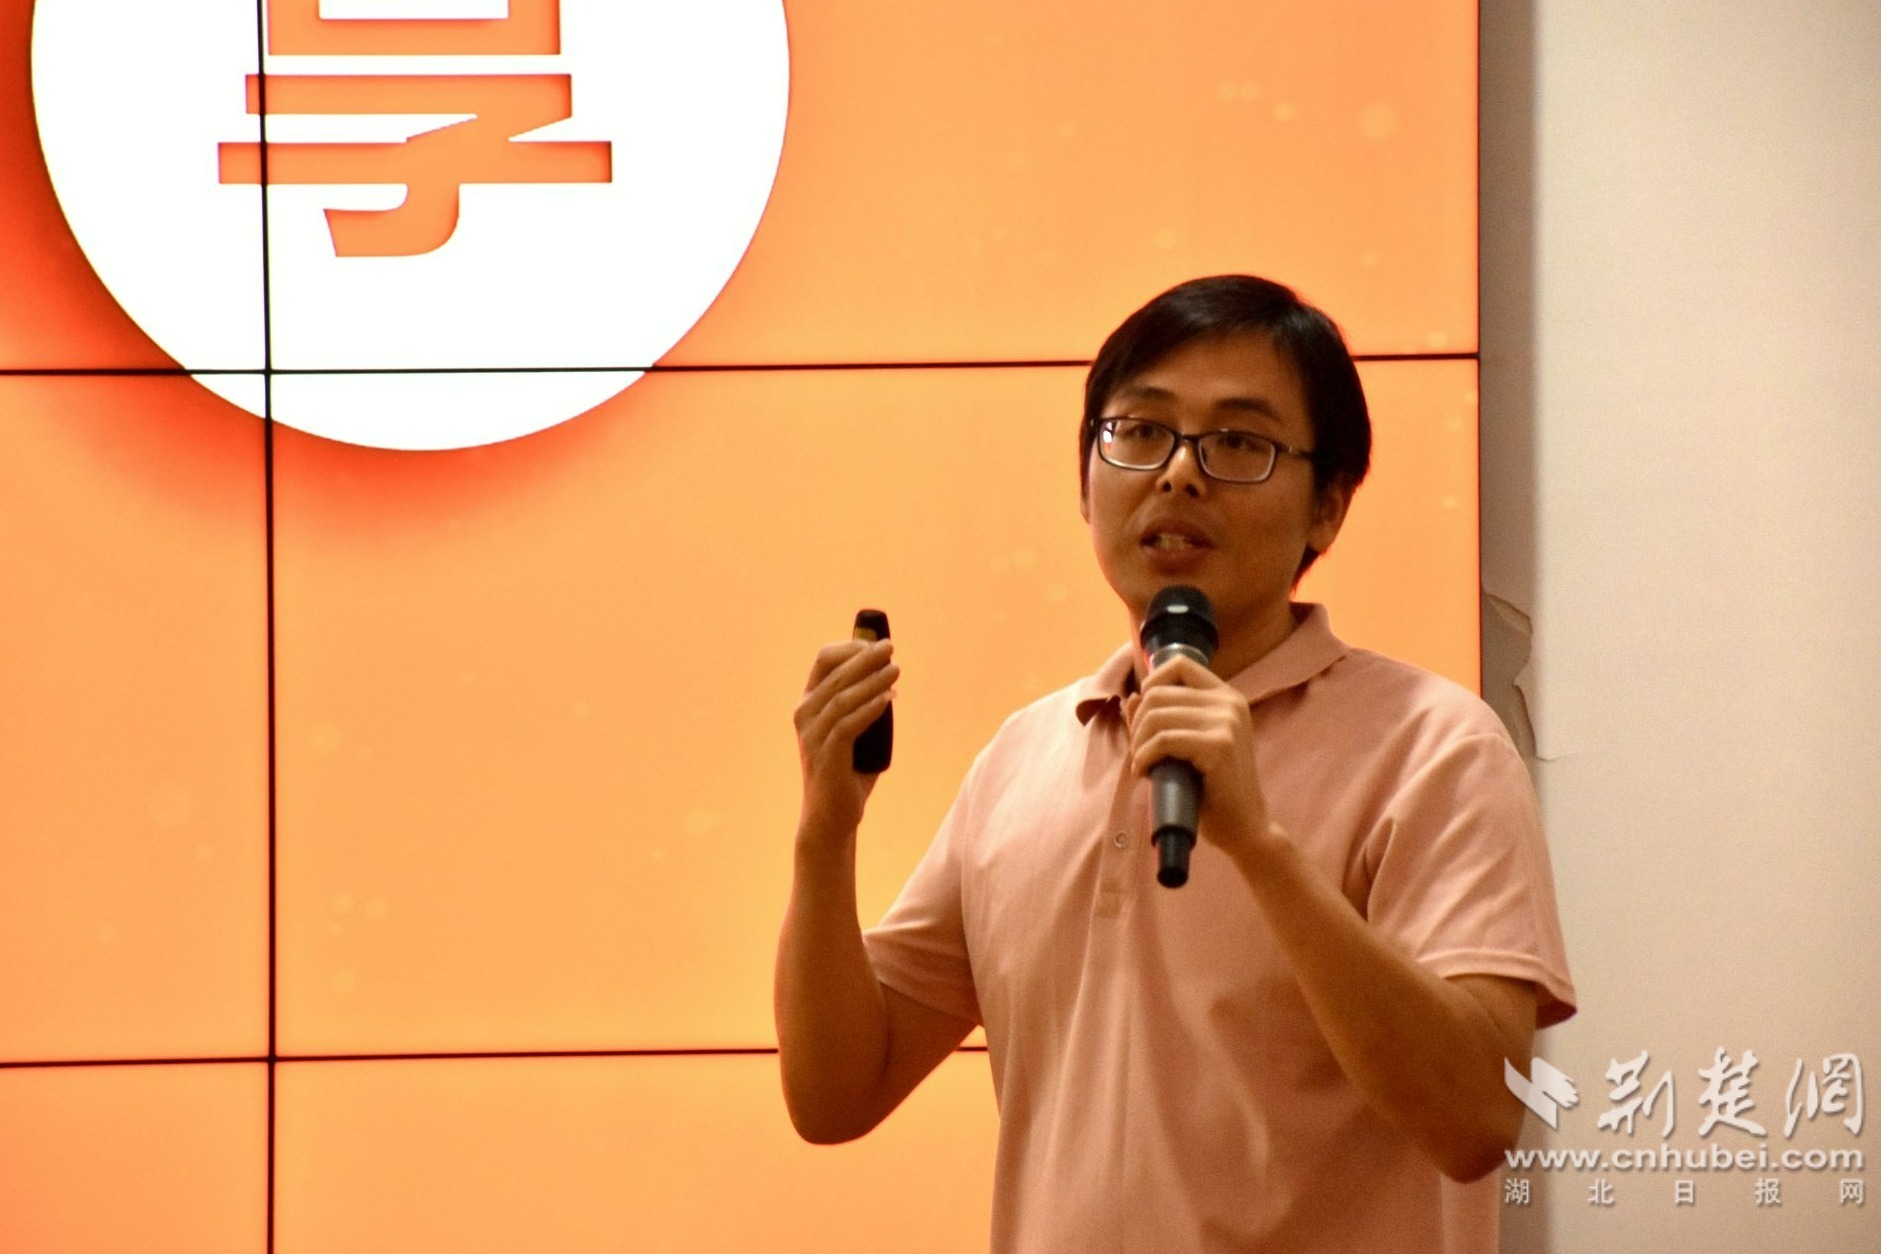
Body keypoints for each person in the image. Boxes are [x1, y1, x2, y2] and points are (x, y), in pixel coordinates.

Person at [775, 275, 1575, 1253]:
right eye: (1139, 432)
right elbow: (836, 1093)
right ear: (1085, 484)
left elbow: (1477, 1118)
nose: (1178, 475)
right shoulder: (1025, 755)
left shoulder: (1435, 748)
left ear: (1327, 507)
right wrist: (826, 833)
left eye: (1237, 443)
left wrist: (1260, 845)